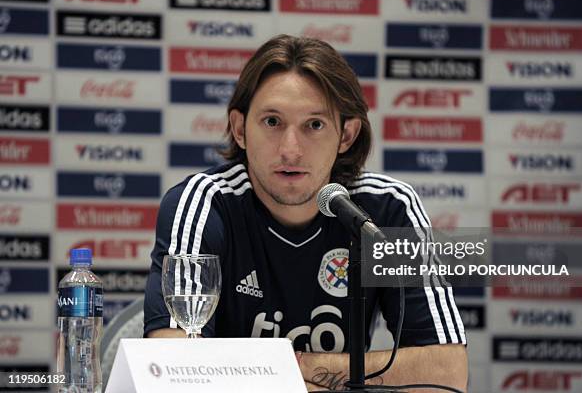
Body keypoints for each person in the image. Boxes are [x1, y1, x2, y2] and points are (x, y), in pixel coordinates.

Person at [144, 34, 467, 391]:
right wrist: (314, 376)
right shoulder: (203, 204)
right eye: (272, 122)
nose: (291, 150)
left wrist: (293, 366)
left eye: (314, 125)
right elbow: (170, 370)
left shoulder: (386, 210)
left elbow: (447, 372)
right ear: (240, 130)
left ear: (346, 135)